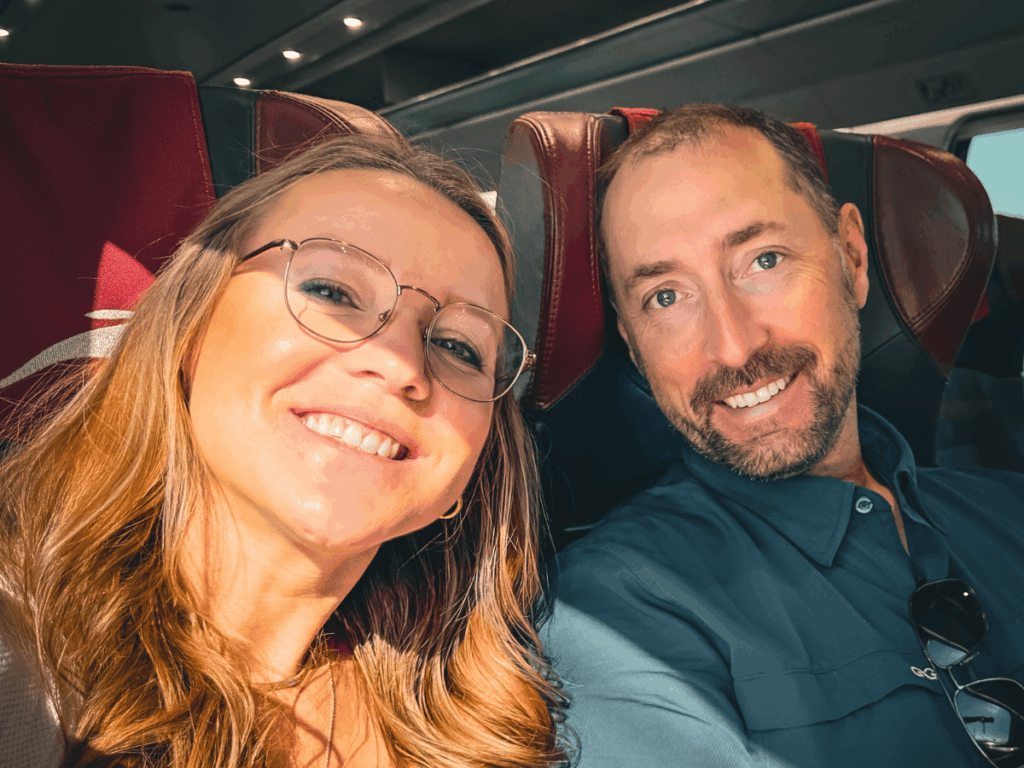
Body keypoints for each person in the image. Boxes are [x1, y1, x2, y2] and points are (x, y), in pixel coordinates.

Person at [0, 132, 567, 768]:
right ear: (186, 332)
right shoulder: (19, 665)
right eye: (332, 292)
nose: (402, 363)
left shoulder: (478, 713)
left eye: (460, 346)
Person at [543, 104, 1024, 767]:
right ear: (631, 340)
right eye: (665, 297)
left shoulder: (1010, 505)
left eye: (763, 260)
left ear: (852, 258)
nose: (734, 347)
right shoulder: (616, 612)